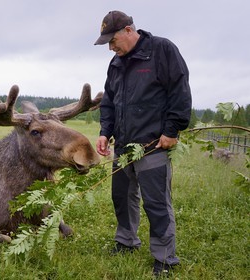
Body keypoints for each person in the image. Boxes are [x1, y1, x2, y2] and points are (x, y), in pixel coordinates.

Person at [94, 10, 192, 277]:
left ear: (128, 30)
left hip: (154, 145)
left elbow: (180, 91)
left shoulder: (161, 50)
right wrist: (105, 132)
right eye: (107, 44)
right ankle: (126, 241)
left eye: (112, 41)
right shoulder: (116, 63)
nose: (111, 48)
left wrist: (172, 130)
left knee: (156, 203)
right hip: (123, 147)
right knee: (122, 198)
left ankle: (164, 258)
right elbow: (109, 102)